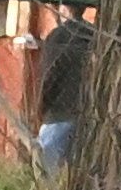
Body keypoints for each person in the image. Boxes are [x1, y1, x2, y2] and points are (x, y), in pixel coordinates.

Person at [27, 10, 95, 173]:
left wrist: (40, 107)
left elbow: (50, 76)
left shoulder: (57, 37)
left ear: (63, 9)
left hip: (58, 115)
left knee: (45, 175)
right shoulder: (96, 37)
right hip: (89, 116)